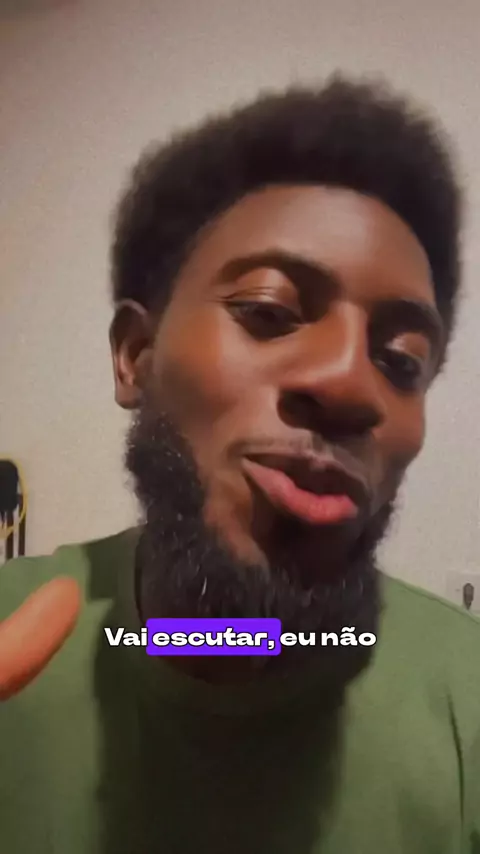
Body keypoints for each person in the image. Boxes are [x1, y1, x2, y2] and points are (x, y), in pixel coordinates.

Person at [0, 76, 479, 854]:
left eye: (400, 361)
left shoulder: (466, 703)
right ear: (136, 356)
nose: (351, 384)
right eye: (268, 312)